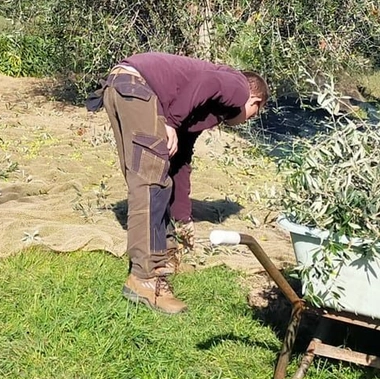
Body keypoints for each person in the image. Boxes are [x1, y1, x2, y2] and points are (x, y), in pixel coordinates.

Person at [90, 53, 268, 314]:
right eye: (255, 112)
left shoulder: (197, 106)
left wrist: (184, 219)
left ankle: (166, 255)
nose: (250, 118)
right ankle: (145, 280)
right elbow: (208, 81)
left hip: (122, 85)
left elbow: (180, 164)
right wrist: (170, 122)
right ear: (255, 100)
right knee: (151, 184)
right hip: (139, 89)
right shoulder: (239, 86)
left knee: (153, 176)